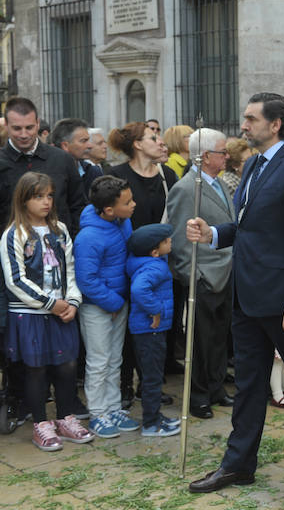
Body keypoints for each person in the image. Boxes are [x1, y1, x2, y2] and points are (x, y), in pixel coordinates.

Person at [186, 92, 284, 493]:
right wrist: (213, 233)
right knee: (250, 383)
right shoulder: (252, 165)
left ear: (276, 124)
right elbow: (248, 226)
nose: (243, 126)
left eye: (251, 119)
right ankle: (238, 464)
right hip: (247, 293)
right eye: (244, 118)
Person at [0, 172, 93, 451]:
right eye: (39, 196)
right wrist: (50, 303)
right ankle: (41, 423)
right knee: (36, 369)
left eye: (50, 196)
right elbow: (15, 280)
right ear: (23, 199)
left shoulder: (60, 230)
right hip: (31, 314)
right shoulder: (13, 234)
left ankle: (66, 418)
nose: (46, 202)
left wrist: (72, 302)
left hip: (63, 311)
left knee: (66, 367)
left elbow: (71, 271)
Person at [166, 128, 235, 419]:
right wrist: (193, 275)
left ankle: (216, 387)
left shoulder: (220, 184)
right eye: (222, 152)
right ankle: (198, 396)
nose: (227, 156)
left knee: (220, 337)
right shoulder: (185, 189)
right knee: (201, 340)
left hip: (227, 269)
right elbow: (180, 239)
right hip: (204, 274)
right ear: (206, 156)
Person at [109, 122, 180, 404]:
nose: (160, 142)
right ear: (137, 144)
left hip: (159, 262)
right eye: (153, 138)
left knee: (158, 324)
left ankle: (150, 385)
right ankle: (126, 385)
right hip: (127, 262)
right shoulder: (116, 175)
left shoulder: (168, 175)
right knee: (129, 325)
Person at [74, 175, 140, 439]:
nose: (134, 204)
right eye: (128, 201)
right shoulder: (88, 237)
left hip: (118, 302)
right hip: (98, 308)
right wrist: (112, 301)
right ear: (109, 209)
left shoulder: (122, 222)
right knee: (99, 361)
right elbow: (86, 279)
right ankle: (98, 413)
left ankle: (113, 408)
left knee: (115, 359)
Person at [125, 224, 181, 437]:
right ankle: (150, 424)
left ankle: (155, 416)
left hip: (147, 331)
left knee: (152, 375)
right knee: (153, 377)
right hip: (151, 330)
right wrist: (156, 310)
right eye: (167, 241)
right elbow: (139, 289)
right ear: (154, 251)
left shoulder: (147, 262)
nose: (171, 243)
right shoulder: (154, 268)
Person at [0, 98, 86, 234]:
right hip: (10, 251)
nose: (24, 134)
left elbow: (78, 206)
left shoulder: (62, 159)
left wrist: (72, 242)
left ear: (38, 124)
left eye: (29, 127)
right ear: (6, 126)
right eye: (17, 128)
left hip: (60, 247)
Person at [50, 118, 102, 202]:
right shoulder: (47, 174)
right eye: (83, 141)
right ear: (65, 146)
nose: (90, 146)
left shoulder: (93, 173)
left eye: (88, 140)